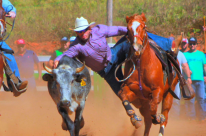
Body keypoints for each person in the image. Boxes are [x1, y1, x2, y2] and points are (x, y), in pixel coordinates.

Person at [53, 16, 183, 97]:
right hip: (105, 70)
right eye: (79, 32)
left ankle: (169, 43)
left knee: (136, 34)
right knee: (122, 93)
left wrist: (133, 29)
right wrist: (57, 60)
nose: (81, 33)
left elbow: (117, 30)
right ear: (76, 33)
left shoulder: (99, 30)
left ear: (89, 28)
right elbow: (66, 54)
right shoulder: (76, 46)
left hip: (114, 55)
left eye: (83, 30)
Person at [184, 37, 206, 121]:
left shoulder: (201, 54)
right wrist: (187, 72)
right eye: (191, 43)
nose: (192, 45)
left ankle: (202, 117)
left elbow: (204, 66)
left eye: (194, 44)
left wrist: (205, 75)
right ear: (188, 44)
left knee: (201, 98)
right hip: (190, 80)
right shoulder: (185, 54)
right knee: (191, 100)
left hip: (200, 80)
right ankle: (191, 117)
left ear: (196, 45)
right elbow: (182, 66)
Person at [169, 37, 191, 119]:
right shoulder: (163, 52)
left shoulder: (180, 54)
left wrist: (188, 77)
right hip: (165, 80)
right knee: (166, 99)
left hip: (176, 81)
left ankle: (174, 119)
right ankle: (167, 117)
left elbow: (185, 66)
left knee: (176, 100)